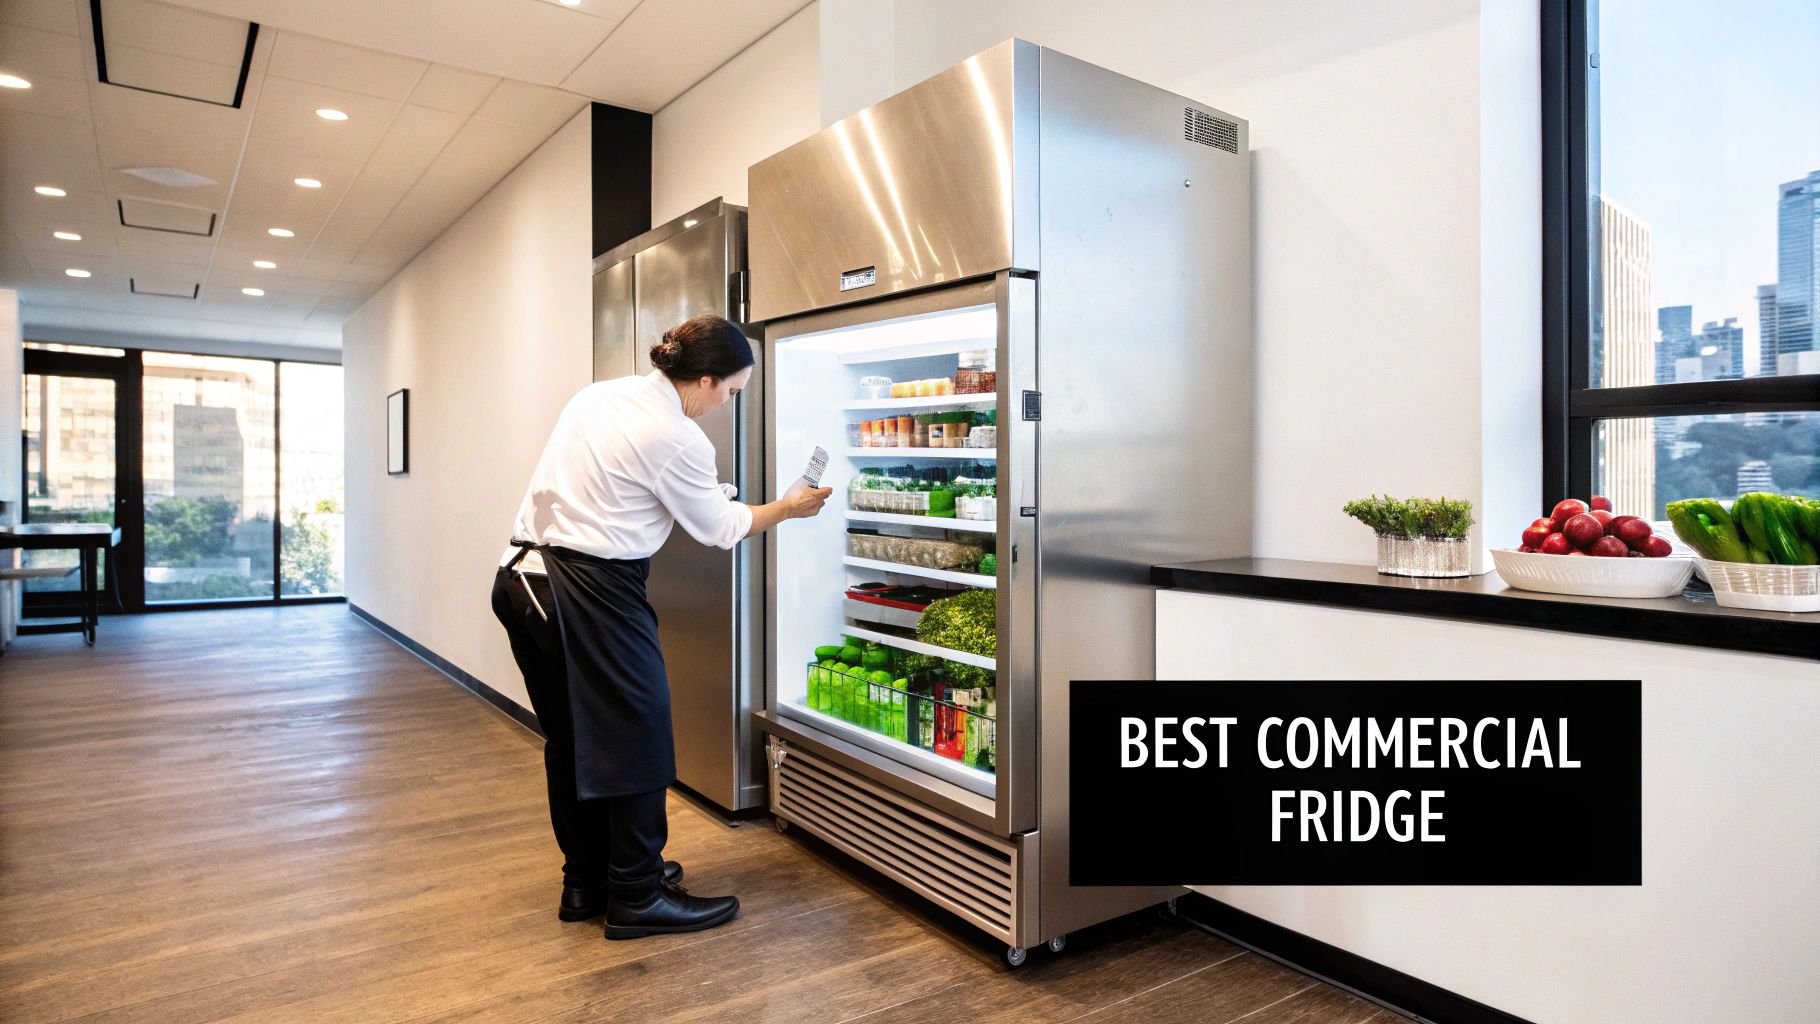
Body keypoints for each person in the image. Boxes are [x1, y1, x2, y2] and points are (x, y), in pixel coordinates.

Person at [491, 314, 831, 939]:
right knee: (639, 738)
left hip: (524, 581)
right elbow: (720, 529)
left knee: (574, 742)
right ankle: (639, 895)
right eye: (730, 391)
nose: (726, 404)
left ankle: (589, 880)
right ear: (704, 379)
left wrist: (705, 491)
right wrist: (789, 507)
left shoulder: (599, 396)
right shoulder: (677, 437)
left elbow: (618, 486)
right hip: (589, 590)